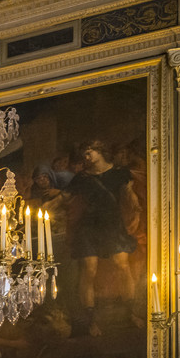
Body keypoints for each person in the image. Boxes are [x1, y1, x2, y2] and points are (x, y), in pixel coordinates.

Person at [65, 138, 139, 336]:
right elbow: (67, 198)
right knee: (89, 270)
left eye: (89, 153)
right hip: (89, 227)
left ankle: (130, 313)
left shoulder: (120, 173)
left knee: (122, 265)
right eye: (84, 155)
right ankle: (90, 322)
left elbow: (130, 195)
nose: (86, 158)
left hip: (112, 225)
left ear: (100, 151)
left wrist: (134, 208)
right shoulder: (81, 178)